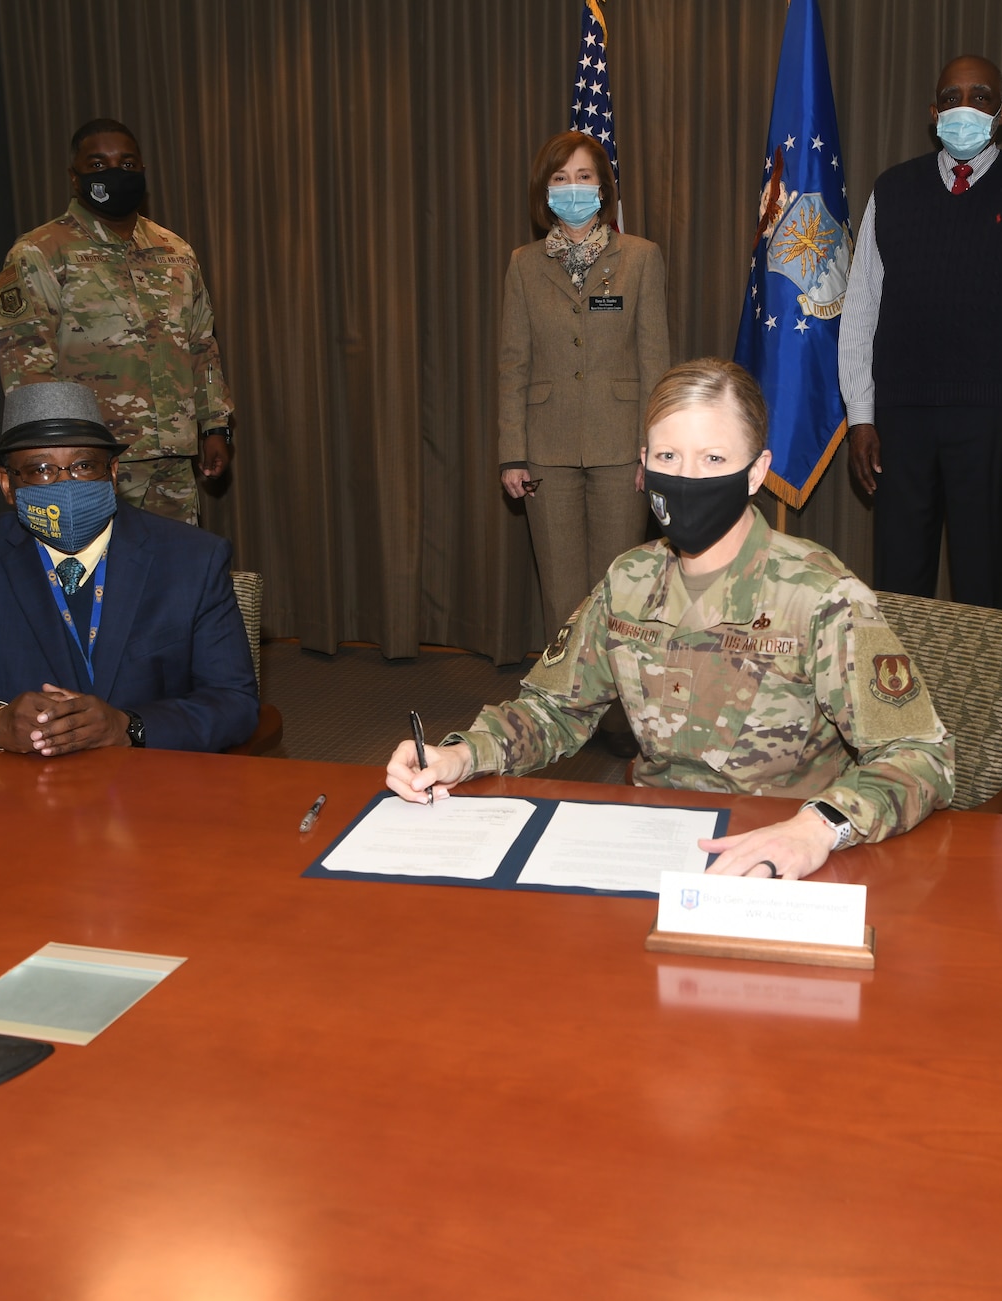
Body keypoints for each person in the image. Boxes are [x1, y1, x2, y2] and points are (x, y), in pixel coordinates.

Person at [387, 359, 953, 880]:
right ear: (644, 467)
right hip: (651, 841)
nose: (687, 479)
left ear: (756, 473)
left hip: (781, 851)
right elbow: (554, 709)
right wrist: (463, 754)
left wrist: (817, 827)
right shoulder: (628, 581)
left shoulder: (820, 595)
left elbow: (921, 754)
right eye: (667, 458)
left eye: (713, 459)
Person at [0, 381, 259, 755]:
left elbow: (233, 702)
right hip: (24, 791)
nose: (66, 484)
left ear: (111, 472)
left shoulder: (192, 558)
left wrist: (128, 726)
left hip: (154, 786)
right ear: (8, 485)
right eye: (41, 470)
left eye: (83, 466)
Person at [838, 55, 1002, 610]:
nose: (963, 108)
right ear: (932, 112)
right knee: (898, 590)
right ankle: (899, 698)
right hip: (900, 423)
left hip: (994, 426)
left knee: (984, 591)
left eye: (980, 96)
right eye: (950, 98)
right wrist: (862, 417)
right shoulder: (892, 190)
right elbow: (861, 310)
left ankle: (979, 701)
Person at [497, 129, 670, 755]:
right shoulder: (523, 264)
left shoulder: (641, 257)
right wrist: (511, 452)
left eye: (585, 177)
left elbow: (657, 362)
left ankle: (623, 716)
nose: (574, 189)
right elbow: (513, 364)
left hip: (623, 449)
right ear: (547, 191)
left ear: (605, 187)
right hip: (545, 451)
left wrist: (658, 451)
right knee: (563, 590)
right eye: (562, 179)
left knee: (618, 588)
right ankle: (565, 713)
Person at [0, 117, 235, 526]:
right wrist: (52, 458)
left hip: (172, 459)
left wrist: (215, 427)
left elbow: (201, 344)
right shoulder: (39, 252)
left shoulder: (175, 250)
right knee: (104, 579)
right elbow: (27, 364)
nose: (114, 173)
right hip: (91, 462)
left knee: (176, 577)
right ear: (75, 178)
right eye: (97, 165)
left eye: (127, 165)